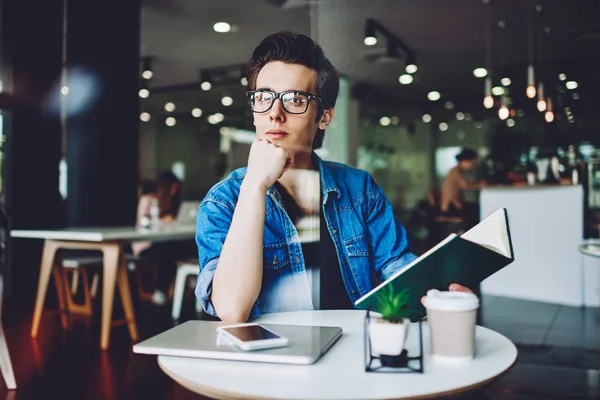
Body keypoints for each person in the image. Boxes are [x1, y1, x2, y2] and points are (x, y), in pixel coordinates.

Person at [195, 31, 471, 322]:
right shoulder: (223, 201)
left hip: (354, 355)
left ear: (324, 116)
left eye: (295, 99)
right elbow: (231, 310)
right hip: (273, 363)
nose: (274, 113)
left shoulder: (359, 189)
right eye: (263, 97)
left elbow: (396, 267)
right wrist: (255, 184)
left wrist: (438, 292)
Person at [136, 171, 196, 305]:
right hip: (145, 245)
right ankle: (161, 290)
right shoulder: (149, 200)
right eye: (175, 187)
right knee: (167, 250)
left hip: (163, 243)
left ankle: (171, 291)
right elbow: (144, 224)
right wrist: (165, 221)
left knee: (177, 247)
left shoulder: (173, 205)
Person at [440, 147, 483, 227]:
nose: (471, 166)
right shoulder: (455, 171)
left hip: (455, 205)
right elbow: (465, 185)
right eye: (471, 163)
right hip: (451, 206)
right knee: (474, 211)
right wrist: (480, 185)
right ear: (463, 160)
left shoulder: (456, 171)